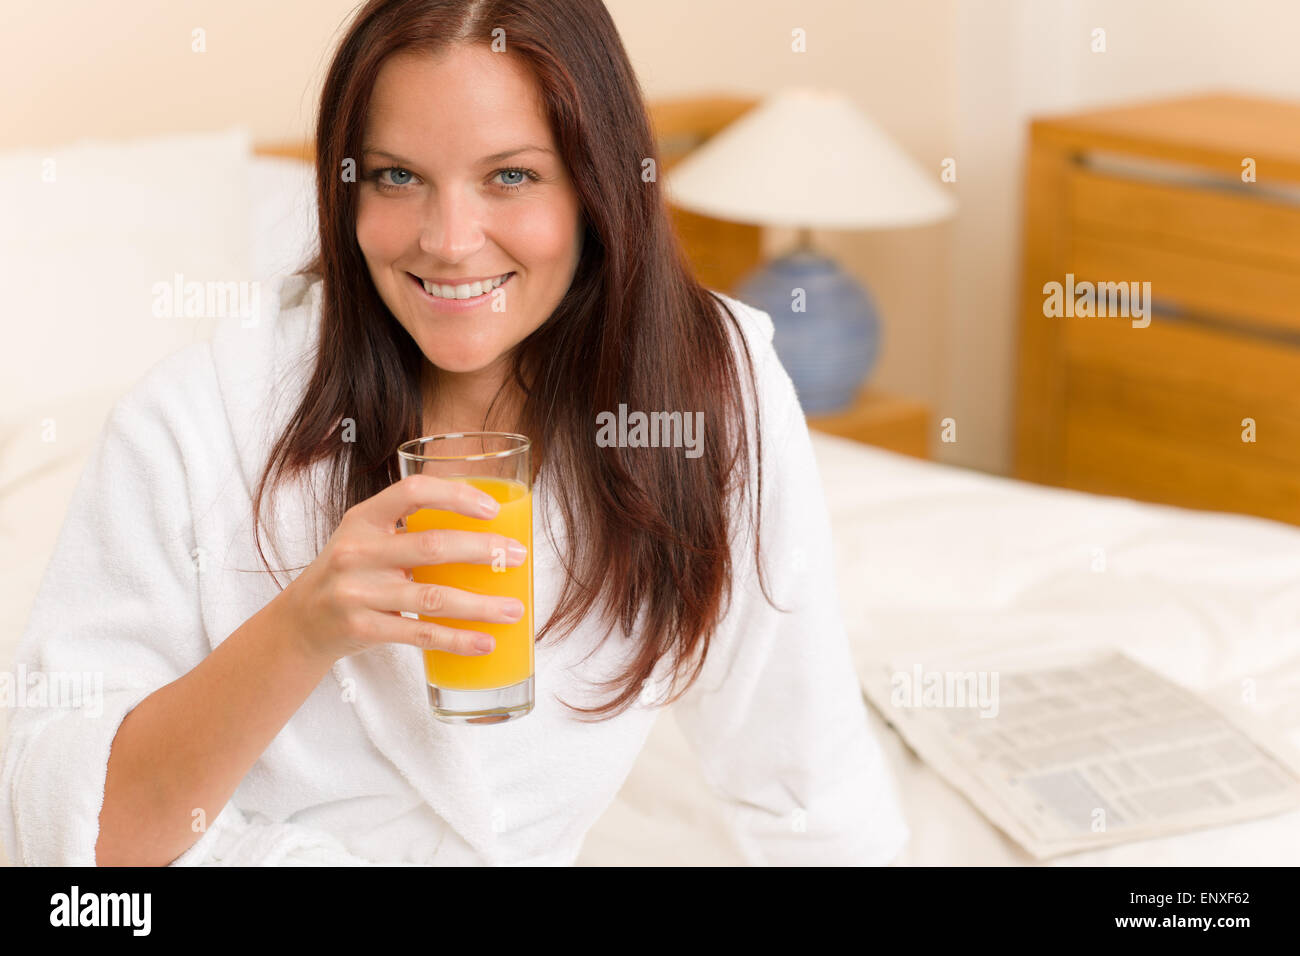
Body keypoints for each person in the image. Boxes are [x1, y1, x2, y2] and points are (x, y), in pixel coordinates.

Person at [0, 0, 909, 866]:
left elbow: (810, 785)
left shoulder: (715, 390)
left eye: (510, 175)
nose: (448, 239)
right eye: (398, 176)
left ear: (596, 184)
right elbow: (76, 840)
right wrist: (301, 630)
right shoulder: (196, 425)